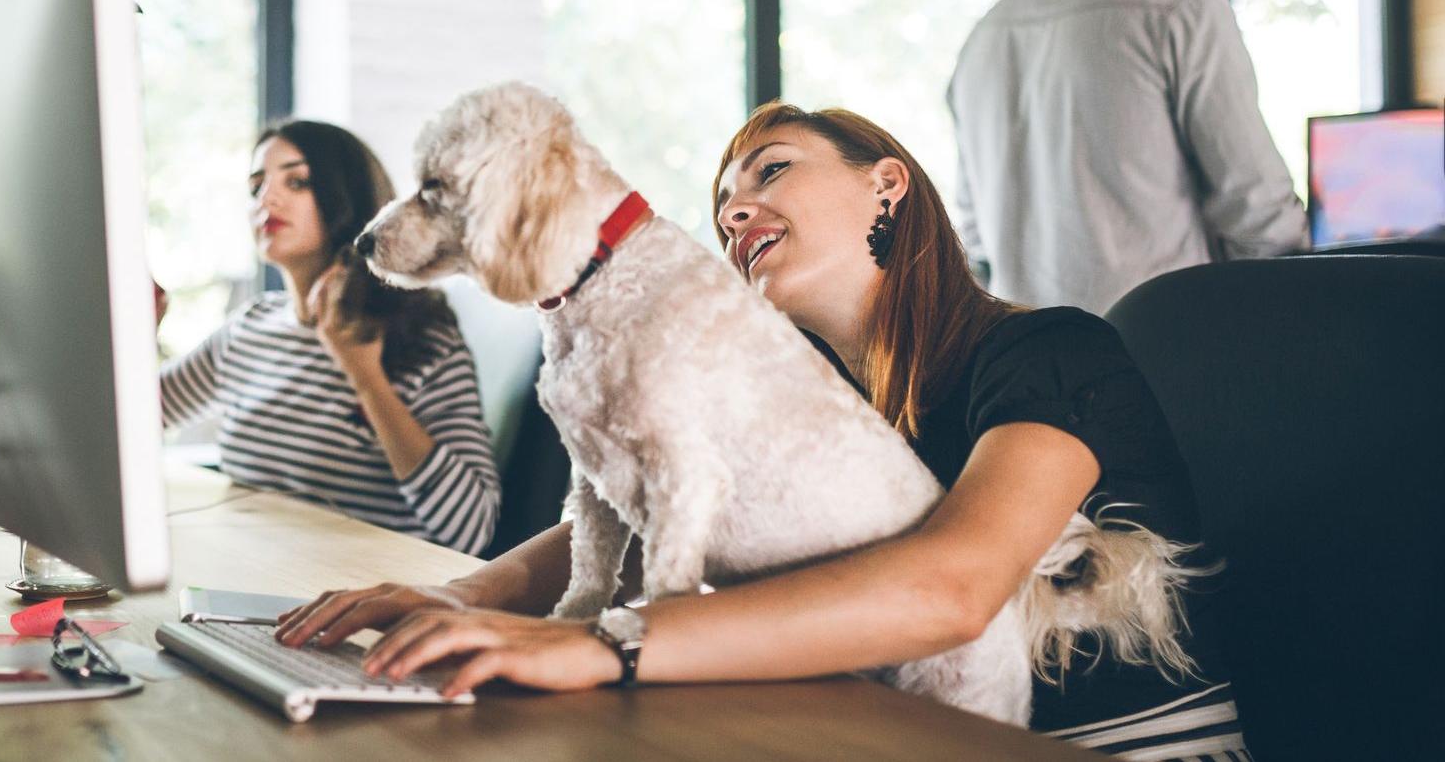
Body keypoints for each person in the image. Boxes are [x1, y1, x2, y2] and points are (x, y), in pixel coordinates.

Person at [273, 104, 1247, 760]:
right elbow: (624, 504)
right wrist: (463, 592)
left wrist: (612, 643)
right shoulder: (810, 391)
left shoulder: (1049, 353)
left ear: (887, 188)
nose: (734, 210)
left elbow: (951, 589)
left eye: (771, 171)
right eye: (720, 204)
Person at [948, 0, 1306, 314]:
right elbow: (1258, 211)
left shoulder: (982, 39)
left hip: (1027, 363)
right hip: (1164, 357)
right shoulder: (1183, 15)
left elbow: (976, 240)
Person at [156, 120, 500, 556]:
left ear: (347, 197)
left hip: (359, 595)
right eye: (256, 186)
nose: (268, 198)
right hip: (247, 572)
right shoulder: (250, 328)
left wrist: (366, 379)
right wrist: (138, 332)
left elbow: (470, 530)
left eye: (297, 181)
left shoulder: (422, 334)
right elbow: (129, 422)